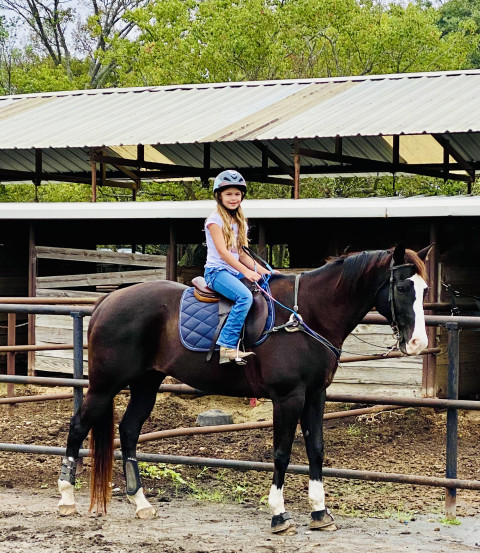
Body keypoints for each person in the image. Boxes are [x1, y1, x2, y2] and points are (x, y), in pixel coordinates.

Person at [204, 170, 271, 365]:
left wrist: (265, 271)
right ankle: (226, 346)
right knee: (244, 297)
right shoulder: (214, 220)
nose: (233, 198)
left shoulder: (240, 220)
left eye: (237, 194)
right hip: (216, 273)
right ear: (219, 196)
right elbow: (224, 253)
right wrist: (247, 272)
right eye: (228, 194)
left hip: (233, 271)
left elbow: (242, 254)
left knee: (267, 284)